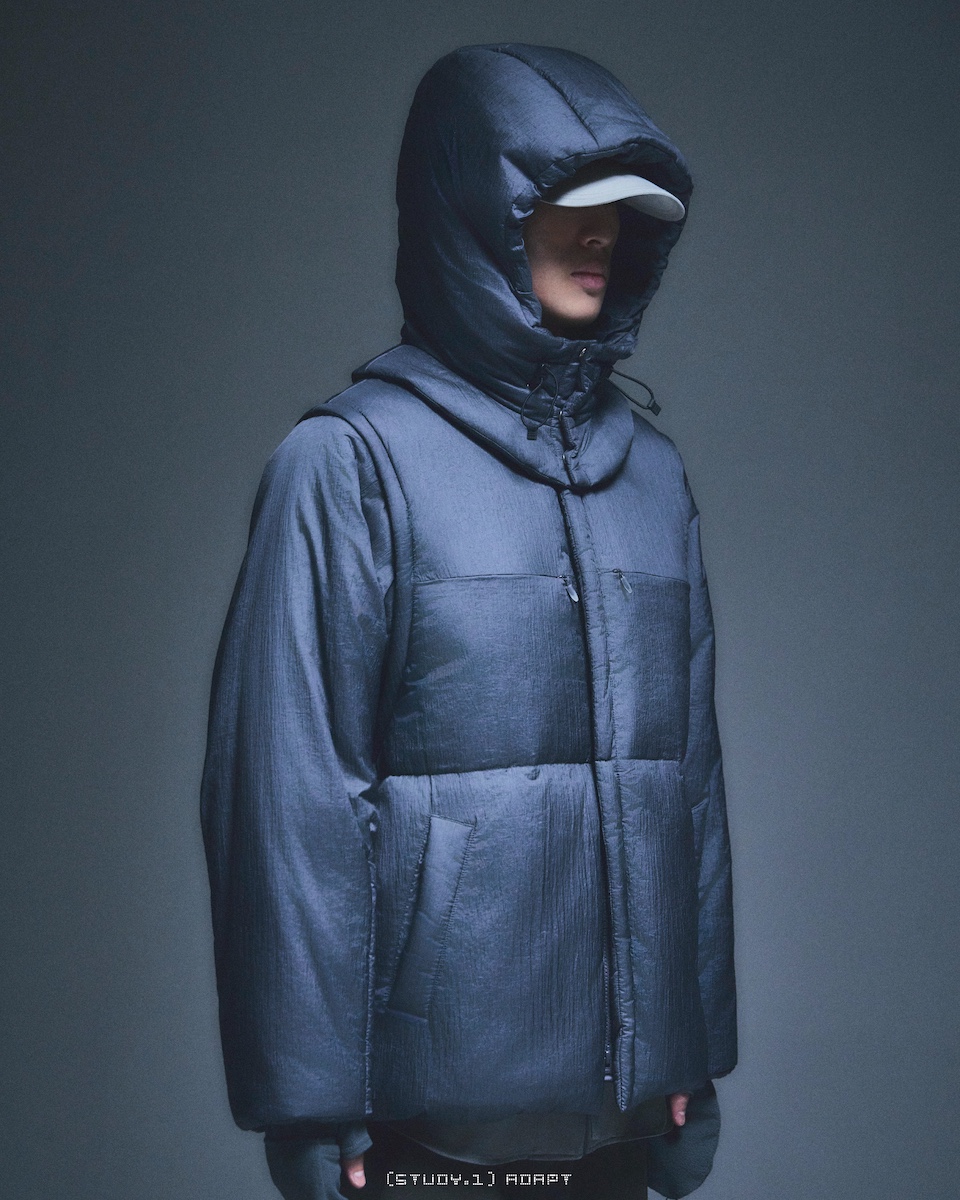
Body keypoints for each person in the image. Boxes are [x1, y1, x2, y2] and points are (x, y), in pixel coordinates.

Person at [201, 43, 736, 1200]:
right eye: (567, 206)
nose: (601, 238)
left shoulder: (652, 475)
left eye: (622, 215)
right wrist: (307, 1098)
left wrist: (695, 1053)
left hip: (623, 1120)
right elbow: (291, 805)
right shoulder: (348, 464)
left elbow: (687, 786)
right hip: (431, 1132)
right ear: (473, 216)